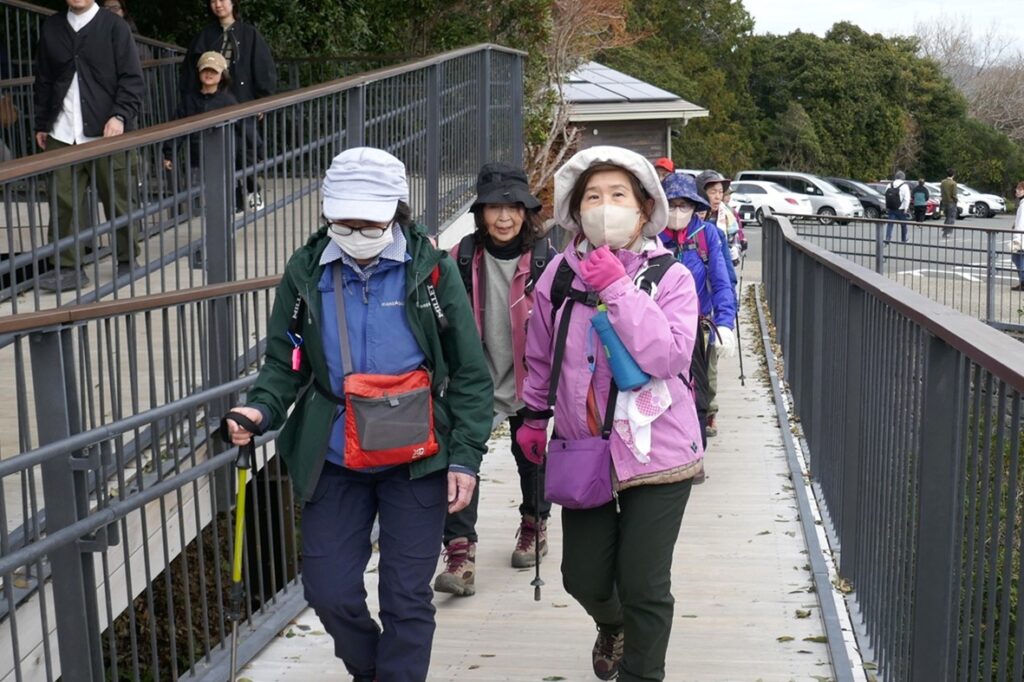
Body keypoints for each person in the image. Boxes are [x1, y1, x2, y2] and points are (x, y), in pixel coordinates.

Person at [223, 147, 493, 681]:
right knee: (328, 590)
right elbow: (284, 360)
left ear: (396, 211)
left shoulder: (432, 272)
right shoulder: (307, 271)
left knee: (405, 596)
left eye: (369, 222)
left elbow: (469, 373)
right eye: (344, 221)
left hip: (417, 455)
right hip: (334, 453)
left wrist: (465, 458)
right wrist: (259, 408)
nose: (356, 232)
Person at [518, 145, 702, 681]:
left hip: (659, 449)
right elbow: (539, 354)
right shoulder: (559, 274)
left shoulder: (670, 276)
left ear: (645, 209)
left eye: (618, 195)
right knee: (584, 577)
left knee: (645, 582)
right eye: (593, 197)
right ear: (576, 210)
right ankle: (613, 623)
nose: (605, 207)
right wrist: (534, 417)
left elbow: (669, 357)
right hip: (583, 444)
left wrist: (617, 286)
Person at [433, 162, 554, 597]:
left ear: (526, 212)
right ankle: (460, 553)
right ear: (480, 213)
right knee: (459, 461)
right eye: (494, 208)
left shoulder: (546, 261)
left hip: (528, 379)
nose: (504, 218)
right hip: (474, 382)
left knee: (531, 458)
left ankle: (534, 524)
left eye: (513, 207)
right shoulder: (459, 258)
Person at [33, 0, 144, 291]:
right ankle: (68, 267)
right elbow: (44, 79)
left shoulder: (115, 26)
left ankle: (127, 259)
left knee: (119, 198)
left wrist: (120, 115)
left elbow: (132, 78)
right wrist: (42, 123)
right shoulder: (52, 27)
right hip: (62, 130)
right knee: (62, 203)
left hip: (108, 131)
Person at [659, 172, 736, 473]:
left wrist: (726, 323)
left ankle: (695, 457)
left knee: (699, 393)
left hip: (694, 327)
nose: (677, 211)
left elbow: (721, 281)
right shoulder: (651, 237)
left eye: (684, 204)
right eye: (671, 204)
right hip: (655, 329)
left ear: (694, 206)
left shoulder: (707, 235)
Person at [183, 0, 276, 210]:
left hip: (242, 101)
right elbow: (191, 71)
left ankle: (252, 190)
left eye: (222, 0)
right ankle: (233, 199)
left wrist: (263, 100)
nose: (218, 5)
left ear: (233, 3)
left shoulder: (249, 34)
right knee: (220, 153)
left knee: (244, 150)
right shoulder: (205, 35)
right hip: (213, 103)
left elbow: (264, 68)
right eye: (213, 1)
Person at [162, 52, 255, 212]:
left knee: (226, 195)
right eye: (205, 70)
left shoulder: (228, 101)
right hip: (196, 157)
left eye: (214, 71)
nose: (209, 74)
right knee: (195, 196)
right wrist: (169, 153)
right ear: (199, 72)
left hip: (223, 158)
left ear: (222, 75)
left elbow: (244, 127)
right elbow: (177, 127)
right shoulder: (189, 101)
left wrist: (256, 149)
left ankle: (232, 213)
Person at [694, 169, 739, 438]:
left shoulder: (716, 230)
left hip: (706, 314)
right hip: (683, 315)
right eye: (712, 191)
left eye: (720, 191)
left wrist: (728, 314)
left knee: (708, 368)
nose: (717, 196)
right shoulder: (669, 231)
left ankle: (708, 413)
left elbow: (725, 276)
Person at [884, 170, 912, 244]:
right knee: (903, 225)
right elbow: (907, 198)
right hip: (901, 209)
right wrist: (906, 208)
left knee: (890, 224)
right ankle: (904, 239)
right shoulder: (904, 186)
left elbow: (886, 196)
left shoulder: (889, 185)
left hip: (891, 208)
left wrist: (887, 206)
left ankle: (887, 239)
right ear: (903, 177)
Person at [1012, 181, 1024, 291]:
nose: (1017, 191)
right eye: (1017, 188)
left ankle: (1023, 282)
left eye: (1020, 189)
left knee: (1017, 257)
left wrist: (1017, 239)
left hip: (1021, 237)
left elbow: (1021, 223)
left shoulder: (1023, 205)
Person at [941, 168, 958, 238]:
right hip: (951, 202)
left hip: (944, 201)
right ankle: (948, 232)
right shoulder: (953, 183)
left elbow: (942, 192)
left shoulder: (943, 182)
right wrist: (956, 200)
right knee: (951, 217)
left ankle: (945, 229)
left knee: (947, 216)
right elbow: (954, 195)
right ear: (953, 175)